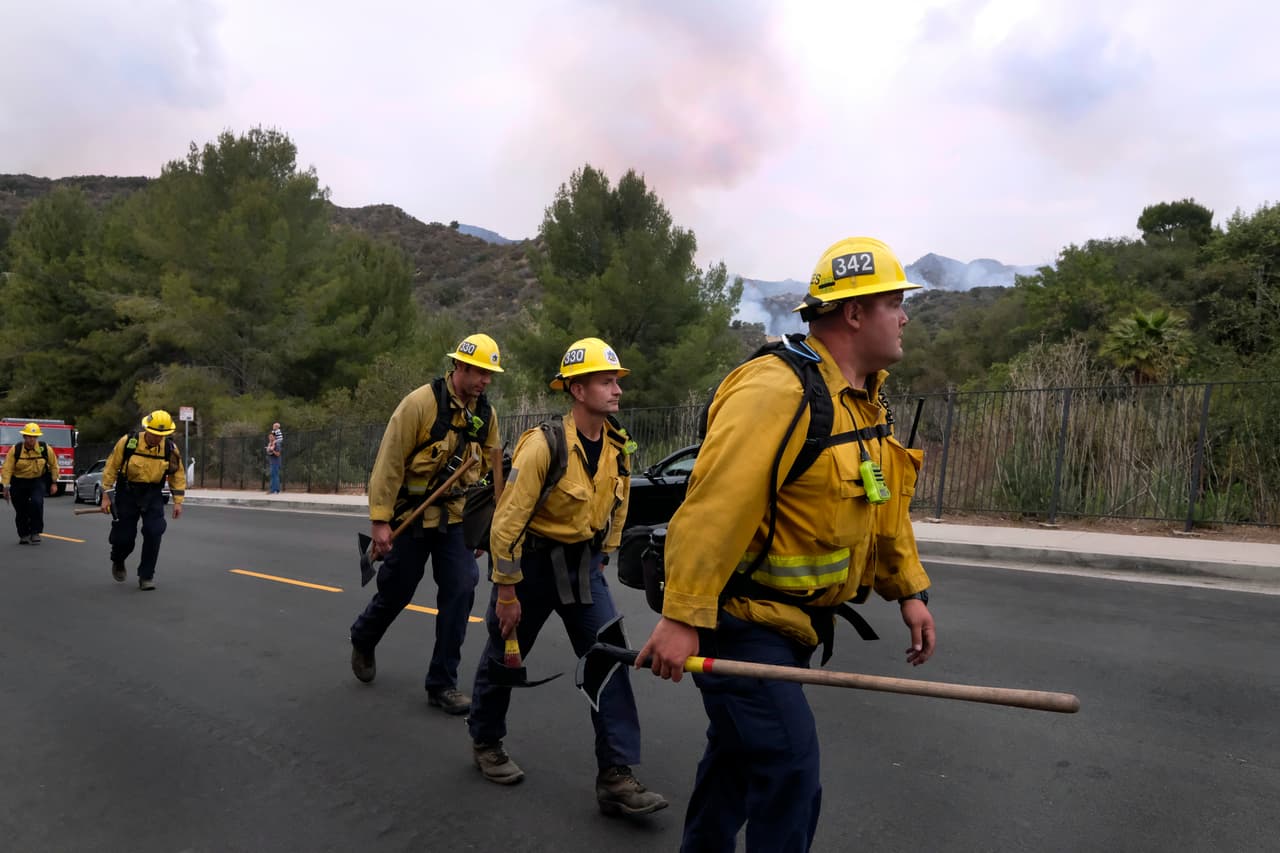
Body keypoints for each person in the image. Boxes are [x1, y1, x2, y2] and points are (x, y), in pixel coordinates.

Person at [637, 236, 937, 851]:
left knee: (737, 765)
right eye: (894, 303)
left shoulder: (863, 404)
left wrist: (908, 590)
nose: (905, 316)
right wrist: (681, 616)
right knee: (790, 774)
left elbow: (882, 504)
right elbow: (713, 508)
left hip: (789, 628)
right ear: (854, 313)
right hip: (741, 622)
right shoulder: (776, 390)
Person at [467, 337, 668, 817]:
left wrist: (604, 556)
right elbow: (507, 523)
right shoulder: (544, 445)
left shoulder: (618, 447)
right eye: (605, 381)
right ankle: (487, 742)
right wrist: (507, 591)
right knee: (504, 657)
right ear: (577, 389)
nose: (616, 390)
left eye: (616, 381)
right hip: (530, 568)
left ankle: (615, 775)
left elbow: (617, 507)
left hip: (582, 570)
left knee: (609, 660)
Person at [349, 333, 504, 715]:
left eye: (490, 375)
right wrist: (380, 522)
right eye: (481, 373)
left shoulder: (486, 416)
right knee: (397, 590)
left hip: (454, 519)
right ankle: (363, 636)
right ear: (460, 367)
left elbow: (491, 471)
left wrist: (483, 527)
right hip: (410, 517)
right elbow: (389, 464)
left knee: (461, 589)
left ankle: (442, 683)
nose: (486, 381)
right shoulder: (419, 405)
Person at [101, 410, 187, 591]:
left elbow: (177, 475)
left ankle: (146, 576)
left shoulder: (169, 449)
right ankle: (118, 558)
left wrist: (178, 501)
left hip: (153, 494)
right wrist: (106, 496)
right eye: (155, 434)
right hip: (127, 493)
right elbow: (110, 468)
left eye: (162, 435)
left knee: (154, 531)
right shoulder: (128, 443)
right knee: (124, 538)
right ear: (146, 429)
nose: (158, 438)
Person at [1, 422, 59, 545]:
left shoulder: (45, 449)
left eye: (34, 437)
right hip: (18, 481)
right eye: (29, 436)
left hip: (37, 480)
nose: (31, 439)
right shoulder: (15, 450)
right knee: (21, 509)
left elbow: (54, 465)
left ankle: (35, 532)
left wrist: (54, 483)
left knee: (37, 503)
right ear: (24, 437)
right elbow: (7, 468)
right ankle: (24, 534)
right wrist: (5, 487)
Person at [266, 422, 283, 494]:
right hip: (272, 462)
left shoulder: (277, 444)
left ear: (274, 437)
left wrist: (272, 450)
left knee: (274, 476)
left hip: (276, 463)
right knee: (274, 476)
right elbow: (269, 453)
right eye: (269, 437)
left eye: (271, 437)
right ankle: (277, 490)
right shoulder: (271, 444)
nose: (270, 438)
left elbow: (278, 454)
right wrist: (269, 450)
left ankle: (272, 490)